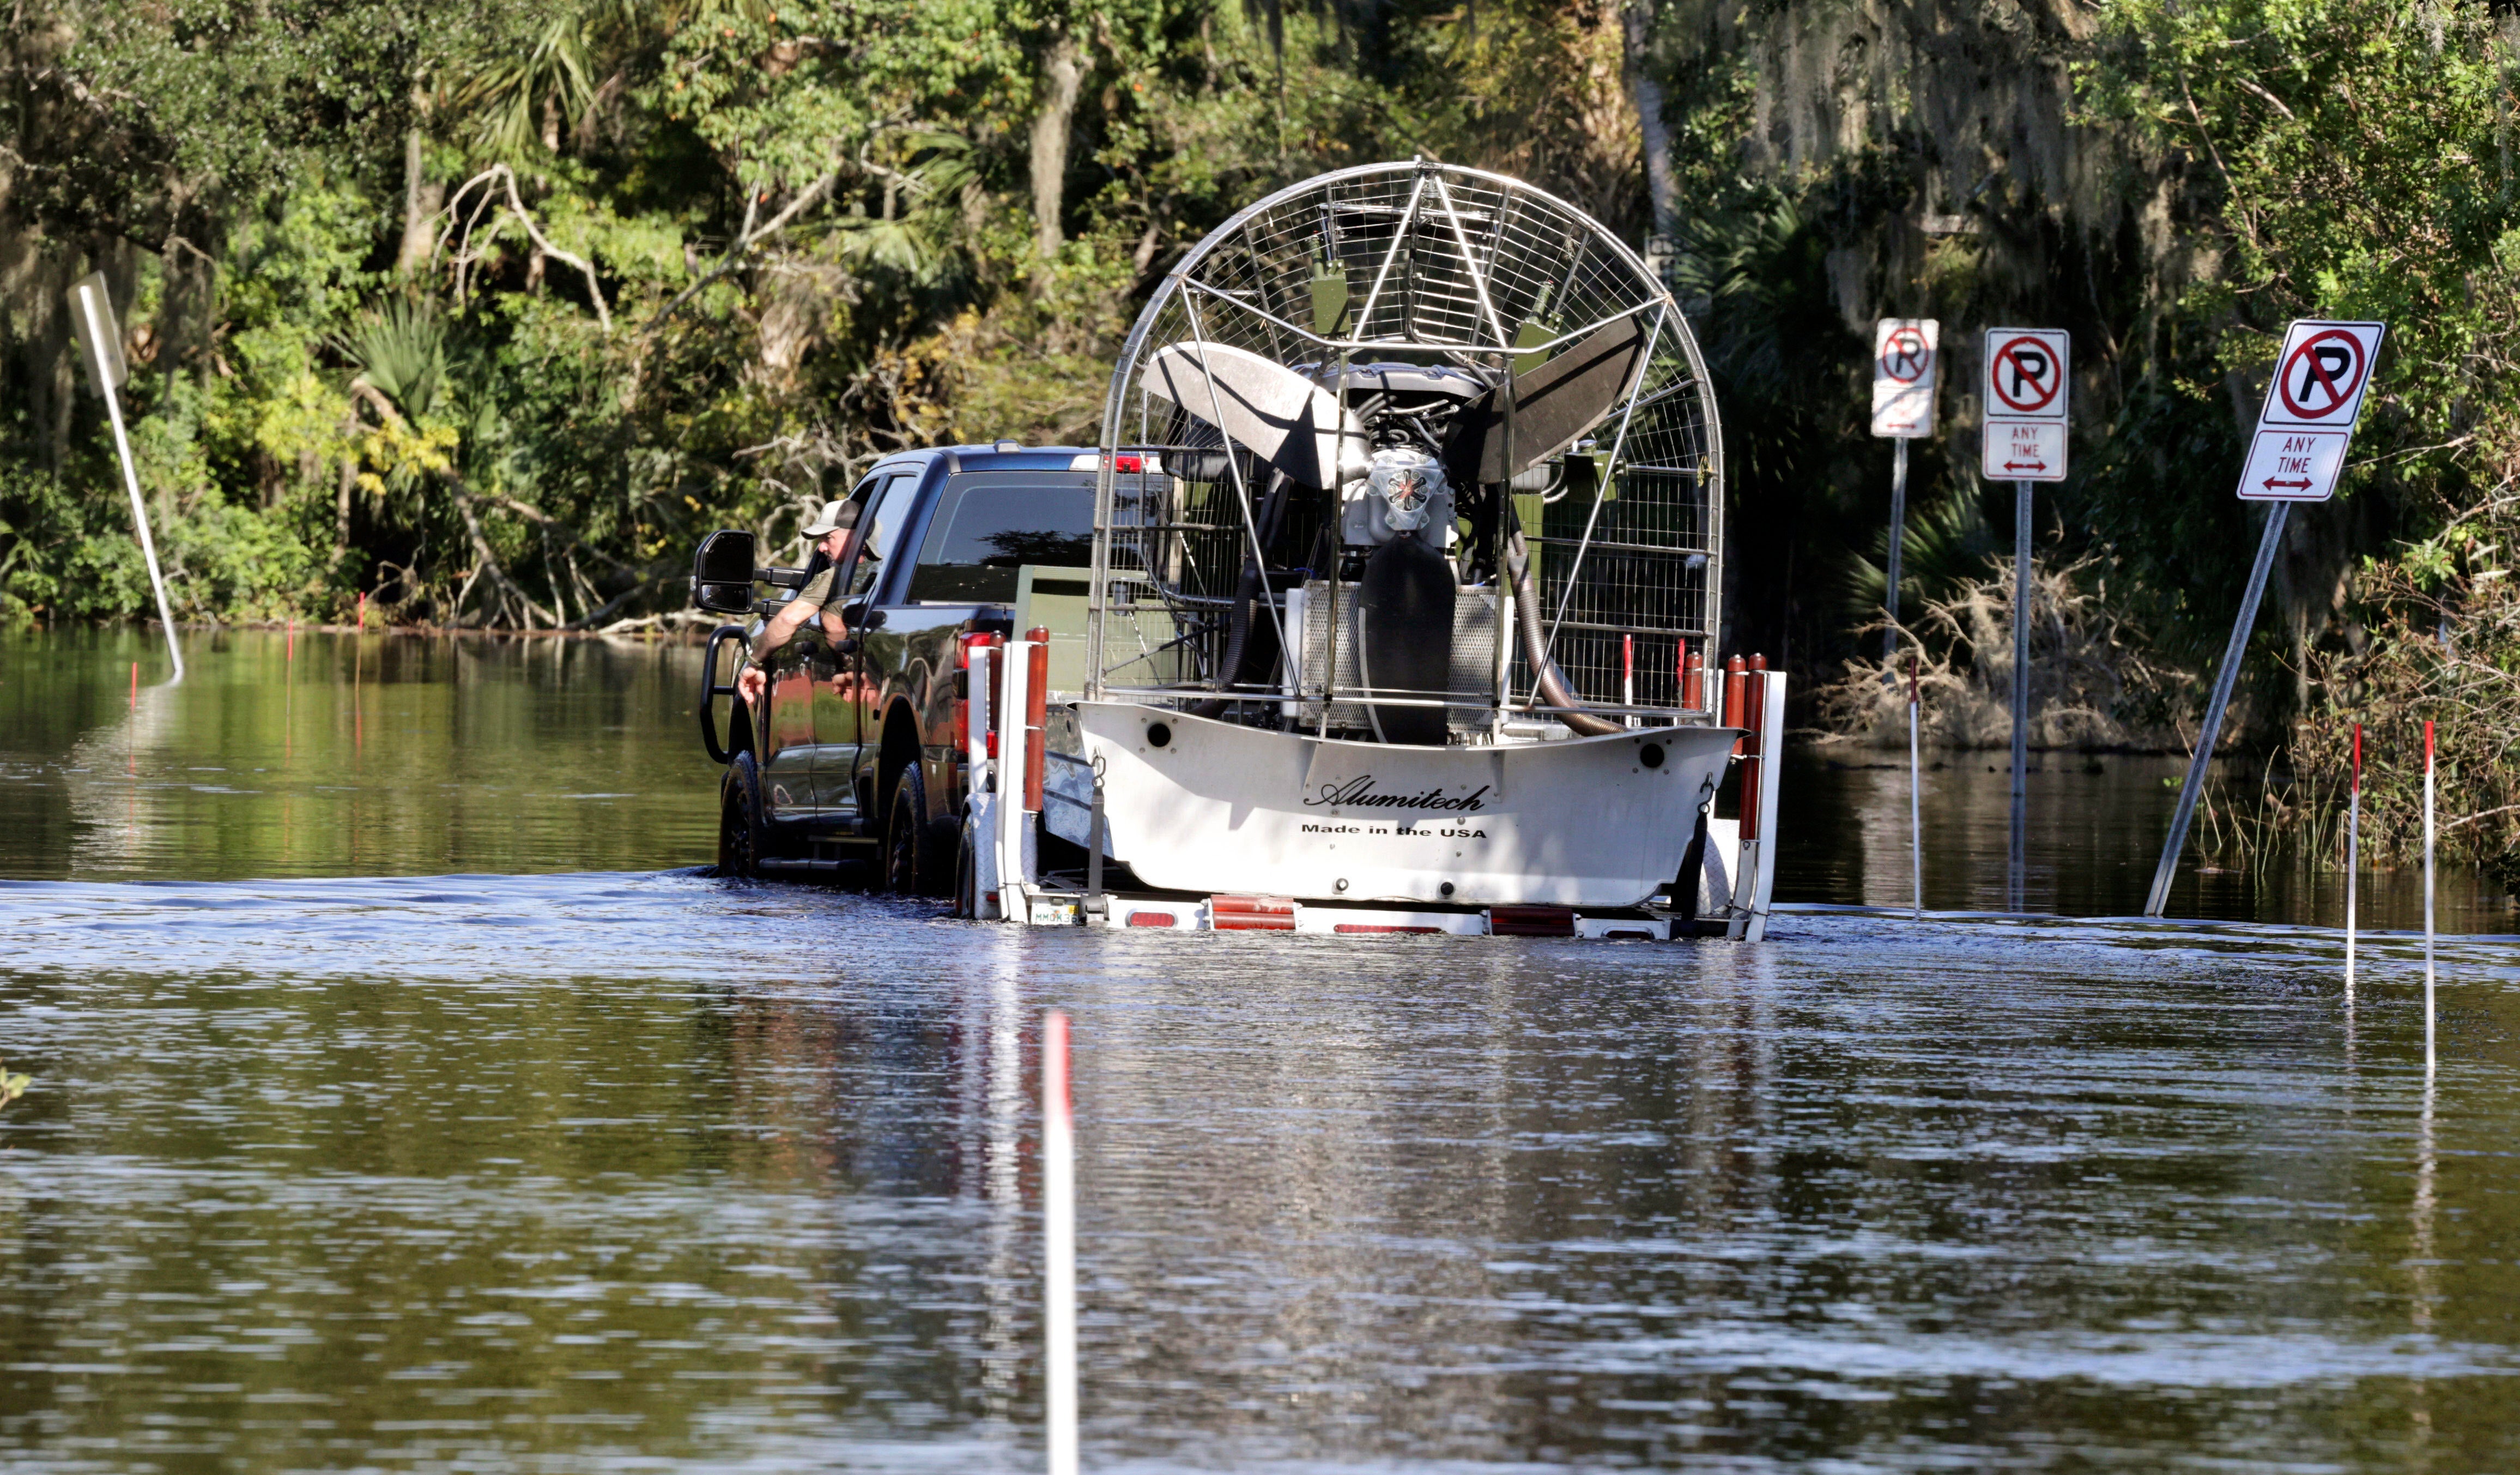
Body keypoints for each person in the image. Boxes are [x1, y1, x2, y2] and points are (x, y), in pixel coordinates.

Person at [736, 499, 868, 708]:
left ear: (856, 538)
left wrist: (754, 663)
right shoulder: (882, 573)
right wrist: (849, 666)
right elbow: (832, 621)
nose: (822, 547)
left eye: (828, 537)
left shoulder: (836, 577)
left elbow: (789, 619)